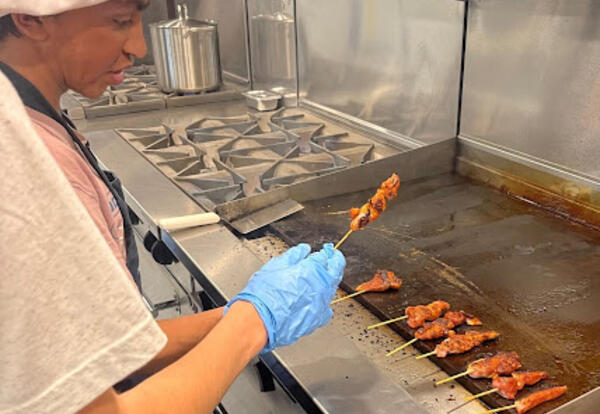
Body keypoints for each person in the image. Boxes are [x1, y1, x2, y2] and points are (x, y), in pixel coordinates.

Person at [0, 1, 346, 413]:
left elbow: (104, 353)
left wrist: (240, 313)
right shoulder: (23, 159)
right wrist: (253, 323)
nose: (139, 46)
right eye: (120, 21)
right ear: (30, 19)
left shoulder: (39, 118)